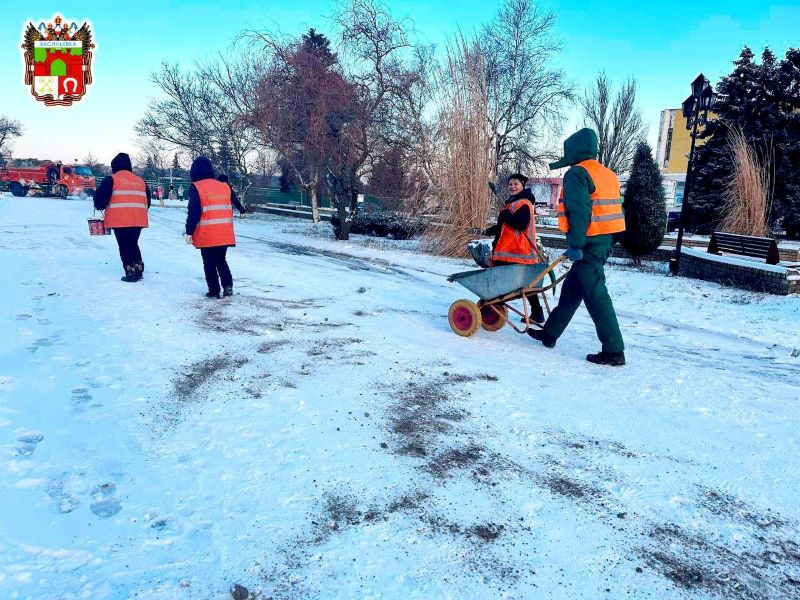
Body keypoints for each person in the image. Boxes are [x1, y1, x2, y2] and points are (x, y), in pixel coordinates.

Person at [527, 128, 626, 366]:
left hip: (588, 242)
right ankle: (550, 334)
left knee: (596, 296)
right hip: (603, 240)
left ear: (574, 151)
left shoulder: (577, 173)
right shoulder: (608, 174)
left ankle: (614, 350)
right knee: (571, 291)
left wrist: (576, 244)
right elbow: (610, 209)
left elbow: (580, 212)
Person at [478, 173, 544, 323]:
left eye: (516, 184)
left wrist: (506, 213)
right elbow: (503, 227)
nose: (512, 186)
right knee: (527, 283)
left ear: (522, 186)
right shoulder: (511, 204)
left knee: (499, 280)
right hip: (512, 251)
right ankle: (537, 313)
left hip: (515, 251)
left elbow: (520, 224)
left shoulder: (524, 203)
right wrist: (486, 231)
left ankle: (492, 309)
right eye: (510, 184)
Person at [184, 157, 239, 298]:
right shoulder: (223, 186)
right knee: (221, 260)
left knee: (209, 263)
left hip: (207, 234)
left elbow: (193, 212)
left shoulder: (197, 187)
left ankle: (214, 291)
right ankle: (228, 286)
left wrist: (189, 232)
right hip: (224, 233)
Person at [93, 152, 151, 282]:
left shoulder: (111, 180)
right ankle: (138, 268)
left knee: (124, 246)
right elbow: (148, 201)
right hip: (138, 219)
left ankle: (130, 272)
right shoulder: (141, 181)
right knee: (133, 243)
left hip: (119, 220)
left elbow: (100, 201)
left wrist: (98, 206)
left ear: (115, 166)